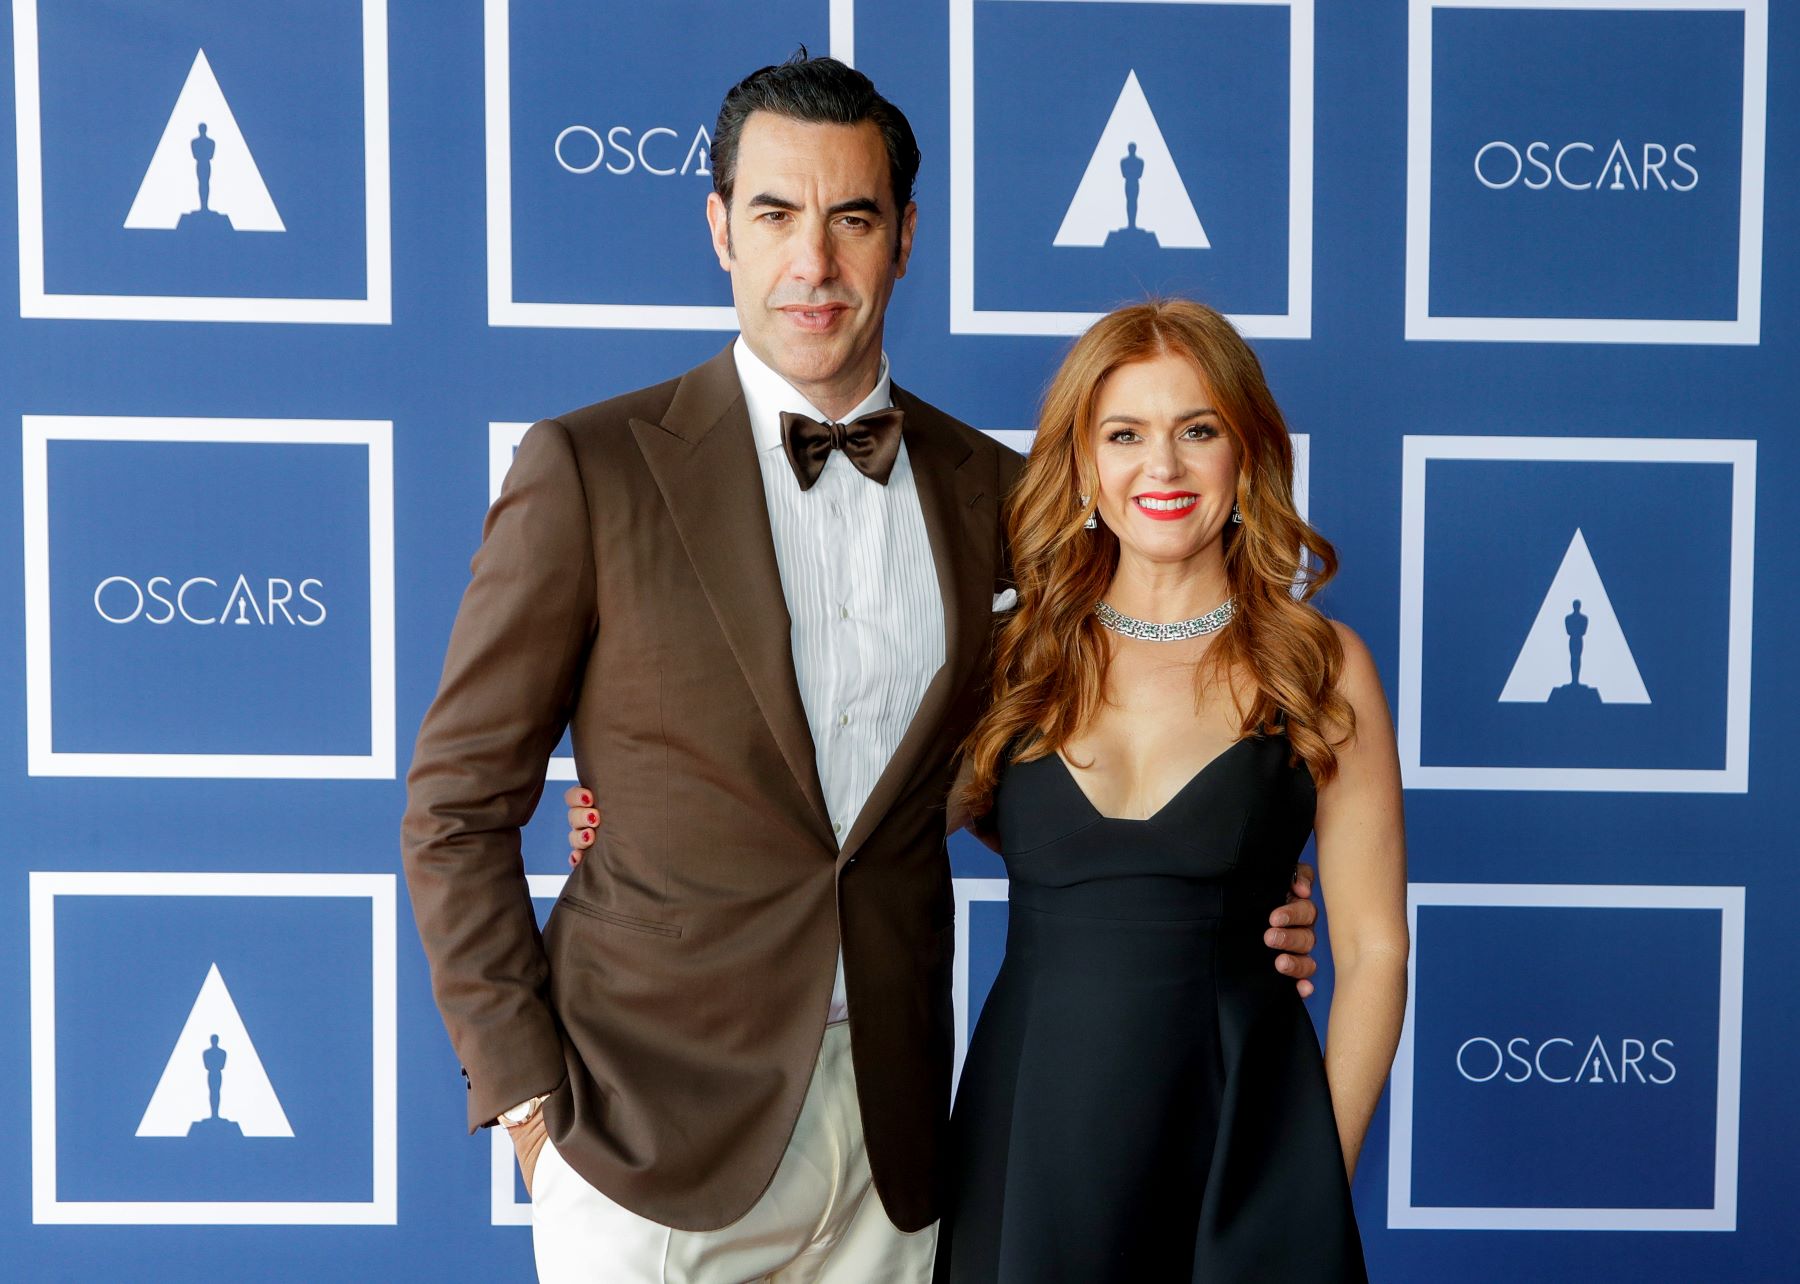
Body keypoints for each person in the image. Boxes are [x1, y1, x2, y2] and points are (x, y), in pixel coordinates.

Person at [403, 54, 1318, 1284]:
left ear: (905, 239)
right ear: (720, 229)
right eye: (776, 214)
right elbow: (456, 807)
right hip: (641, 1131)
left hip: (898, 1138)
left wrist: (1214, 890)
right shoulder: (592, 470)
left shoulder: (1001, 497)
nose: (814, 262)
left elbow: (1046, 768)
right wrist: (526, 1107)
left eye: (854, 218)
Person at [930, 299, 1407, 1281]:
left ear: (1246, 453)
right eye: (1126, 433)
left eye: (1199, 431)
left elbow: (1370, 948)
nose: (1164, 467)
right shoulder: (1007, 661)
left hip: (1246, 1140)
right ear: (1082, 460)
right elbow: (852, 845)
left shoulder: (1320, 666)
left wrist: (1315, 1175)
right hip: (1032, 1137)